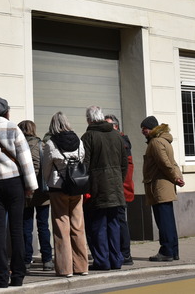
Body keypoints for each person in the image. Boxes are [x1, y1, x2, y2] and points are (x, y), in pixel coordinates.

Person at [0, 98, 38, 288]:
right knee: (17, 229)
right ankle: (18, 275)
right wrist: (30, 185)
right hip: (14, 182)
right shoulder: (13, 129)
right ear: (7, 112)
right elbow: (25, 158)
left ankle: (1, 277)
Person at [41, 111, 88, 278]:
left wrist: (48, 182)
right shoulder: (78, 140)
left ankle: (65, 268)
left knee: (62, 228)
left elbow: (46, 167)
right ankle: (82, 266)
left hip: (58, 188)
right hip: (77, 187)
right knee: (78, 227)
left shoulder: (51, 143)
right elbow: (82, 160)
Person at [81, 106, 127, 271]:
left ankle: (102, 261)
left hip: (97, 189)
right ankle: (116, 260)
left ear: (89, 119)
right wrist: (118, 181)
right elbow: (124, 163)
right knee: (114, 224)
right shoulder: (116, 135)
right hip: (115, 188)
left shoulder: (88, 136)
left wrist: (86, 187)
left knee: (98, 226)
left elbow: (84, 165)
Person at [140, 116, 184, 262]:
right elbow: (174, 163)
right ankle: (173, 251)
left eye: (144, 128)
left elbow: (165, 163)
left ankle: (166, 251)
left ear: (151, 128)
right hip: (165, 186)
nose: (142, 131)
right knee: (168, 221)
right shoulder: (164, 141)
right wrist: (177, 177)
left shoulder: (155, 142)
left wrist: (175, 177)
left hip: (159, 186)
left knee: (164, 222)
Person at [17, 120, 52, 272]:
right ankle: (47, 260)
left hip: (26, 192)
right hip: (43, 193)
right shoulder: (42, 145)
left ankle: (26, 259)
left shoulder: (18, 146)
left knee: (26, 227)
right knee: (43, 226)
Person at [104, 114, 134, 266]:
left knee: (120, 220)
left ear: (116, 126)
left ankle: (126, 254)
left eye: (108, 125)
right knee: (117, 220)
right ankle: (121, 252)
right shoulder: (119, 141)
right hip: (118, 188)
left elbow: (126, 169)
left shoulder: (122, 142)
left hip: (121, 189)